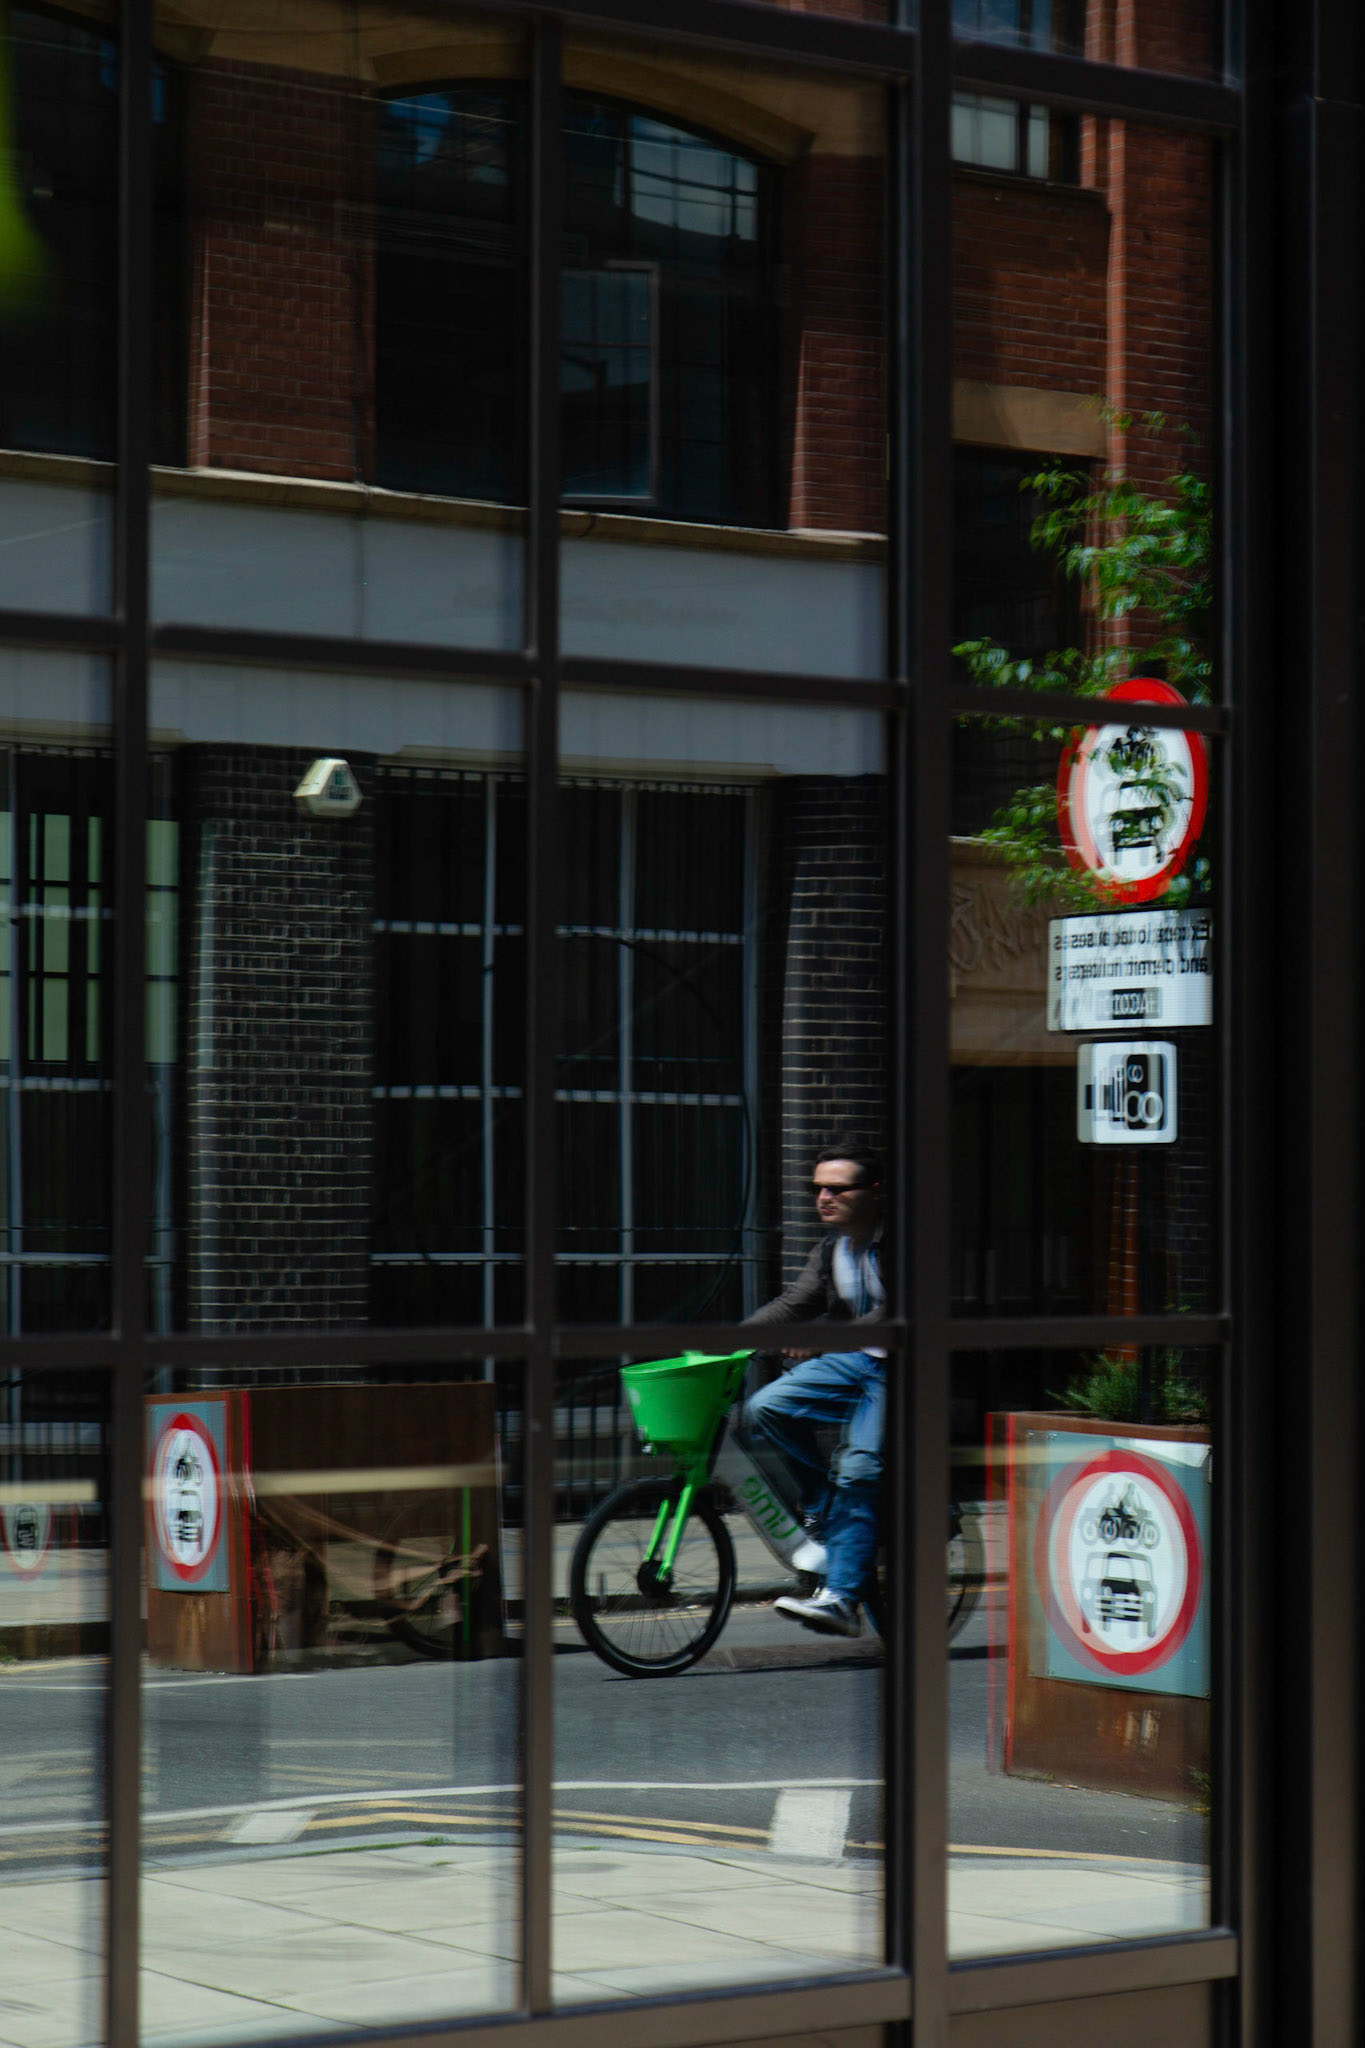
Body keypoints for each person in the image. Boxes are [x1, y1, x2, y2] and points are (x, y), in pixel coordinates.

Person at [743, 1144, 885, 1639]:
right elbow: (794, 1302)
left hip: (903, 1372)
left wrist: (823, 1339)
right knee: (767, 1407)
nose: (823, 1197)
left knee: (860, 1467)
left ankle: (843, 1601)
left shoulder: (905, 1243)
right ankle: (827, 1513)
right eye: (817, 1188)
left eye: (837, 1188)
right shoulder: (832, 1249)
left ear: (872, 1192)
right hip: (855, 1363)